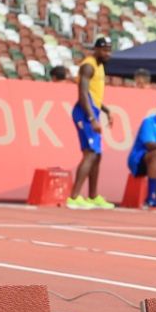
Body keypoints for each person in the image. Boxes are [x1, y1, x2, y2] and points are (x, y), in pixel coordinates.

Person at [66, 37, 115, 210]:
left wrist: (106, 110)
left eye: (109, 49)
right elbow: (83, 94)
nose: (107, 53)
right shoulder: (88, 65)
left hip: (92, 110)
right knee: (90, 153)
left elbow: (94, 96)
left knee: (97, 155)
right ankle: (74, 197)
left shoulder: (100, 66)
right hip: (83, 112)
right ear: (96, 49)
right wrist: (92, 119)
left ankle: (93, 196)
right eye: (104, 49)